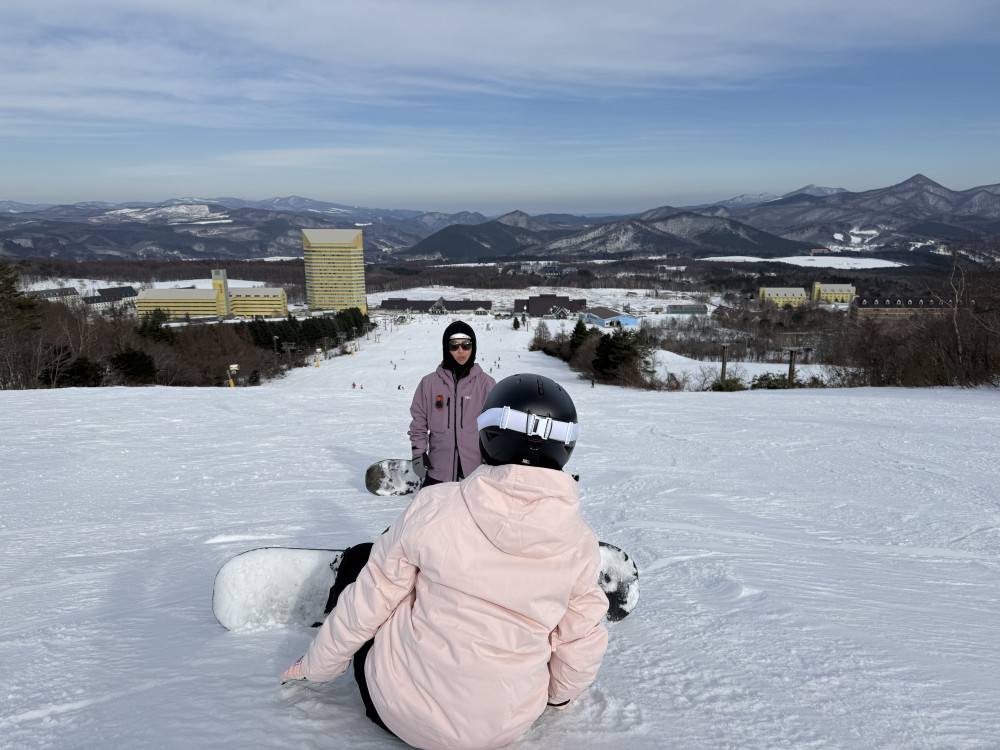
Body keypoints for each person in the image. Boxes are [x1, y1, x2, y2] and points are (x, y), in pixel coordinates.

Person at [281, 374, 609, 750]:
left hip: (399, 713)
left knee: (367, 563)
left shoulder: (437, 504)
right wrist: (558, 697)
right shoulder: (580, 542)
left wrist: (314, 667)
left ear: (487, 436)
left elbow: (367, 602)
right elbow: (580, 639)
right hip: (503, 728)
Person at [408, 321, 495, 486]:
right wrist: (418, 451)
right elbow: (419, 421)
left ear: (473, 347)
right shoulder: (429, 383)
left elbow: (495, 426)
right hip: (439, 469)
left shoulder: (486, 384)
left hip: (476, 471)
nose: (460, 351)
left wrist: (493, 458)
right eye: (454, 346)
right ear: (446, 348)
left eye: (466, 345)